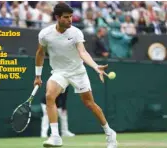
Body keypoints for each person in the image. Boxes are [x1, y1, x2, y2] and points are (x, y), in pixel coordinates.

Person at [34, 3, 117, 148]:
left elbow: (83, 52)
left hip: (78, 72)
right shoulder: (45, 34)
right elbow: (40, 53)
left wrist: (95, 66)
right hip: (59, 72)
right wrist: (38, 75)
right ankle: (55, 136)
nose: (70, 20)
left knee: (89, 104)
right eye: (66, 17)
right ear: (57, 17)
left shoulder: (76, 32)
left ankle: (110, 134)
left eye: (71, 17)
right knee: (49, 96)